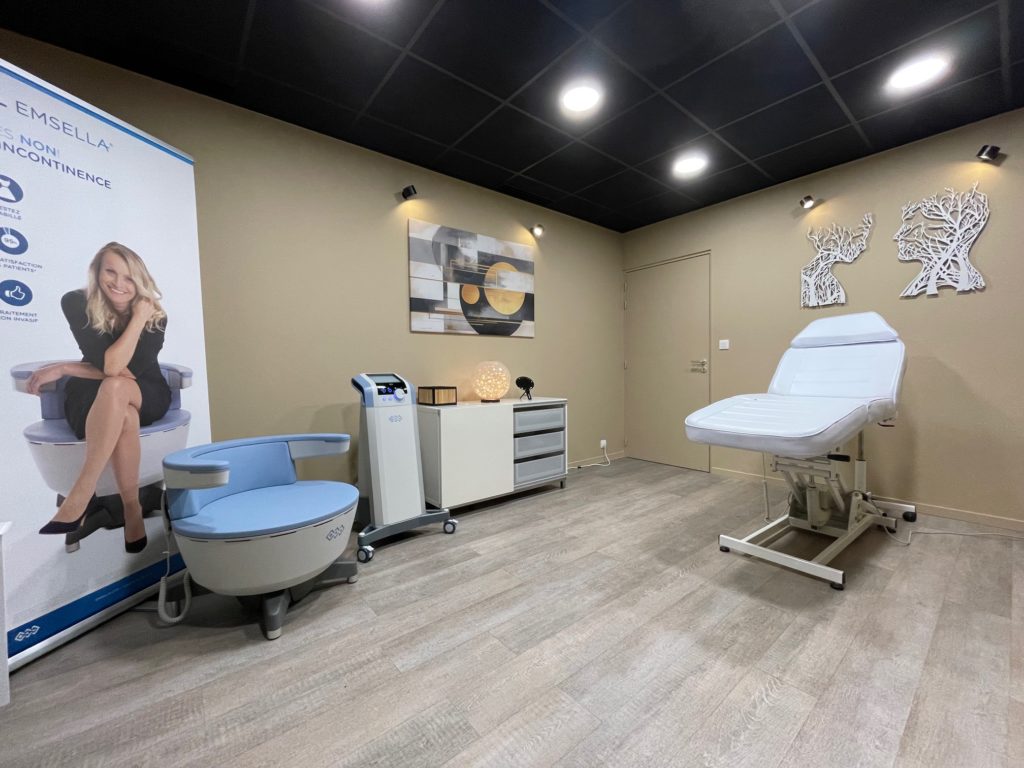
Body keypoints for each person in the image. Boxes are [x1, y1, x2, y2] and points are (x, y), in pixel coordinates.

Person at [28, 242, 171, 553]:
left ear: (140, 281)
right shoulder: (76, 302)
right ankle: (132, 510)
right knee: (121, 407)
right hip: (92, 395)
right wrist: (86, 369)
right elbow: (110, 368)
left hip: (145, 390)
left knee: (117, 386)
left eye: (129, 277)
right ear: (96, 272)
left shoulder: (154, 317)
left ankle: (81, 493)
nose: (119, 283)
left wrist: (65, 367)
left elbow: (119, 369)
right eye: (111, 272)